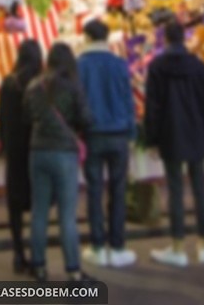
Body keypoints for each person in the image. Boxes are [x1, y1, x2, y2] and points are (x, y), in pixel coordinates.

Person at [144, 17, 204, 267]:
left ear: (164, 39)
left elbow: (152, 106)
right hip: (197, 130)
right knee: (201, 189)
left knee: (175, 190)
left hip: (170, 132)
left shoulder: (157, 66)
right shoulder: (198, 66)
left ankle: (178, 246)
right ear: (184, 38)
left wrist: (151, 138)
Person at [24, 42, 92, 282]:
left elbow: (27, 114)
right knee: (66, 214)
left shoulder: (33, 86)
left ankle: (39, 266)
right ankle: (73, 270)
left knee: (39, 211)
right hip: (64, 152)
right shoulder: (72, 85)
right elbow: (85, 117)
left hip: (38, 151)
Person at [77, 18, 137, 268]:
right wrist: (132, 134)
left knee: (94, 190)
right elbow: (128, 100)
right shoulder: (119, 64)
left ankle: (98, 244)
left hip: (92, 135)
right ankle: (119, 245)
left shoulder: (79, 65)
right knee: (118, 189)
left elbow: (77, 102)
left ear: (87, 38)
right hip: (119, 133)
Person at [0, 39, 43, 274]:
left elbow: (1, 118)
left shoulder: (8, 83)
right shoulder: (41, 83)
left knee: (15, 205)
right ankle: (37, 257)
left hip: (15, 148)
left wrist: (4, 142)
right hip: (37, 146)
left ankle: (18, 253)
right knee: (38, 204)